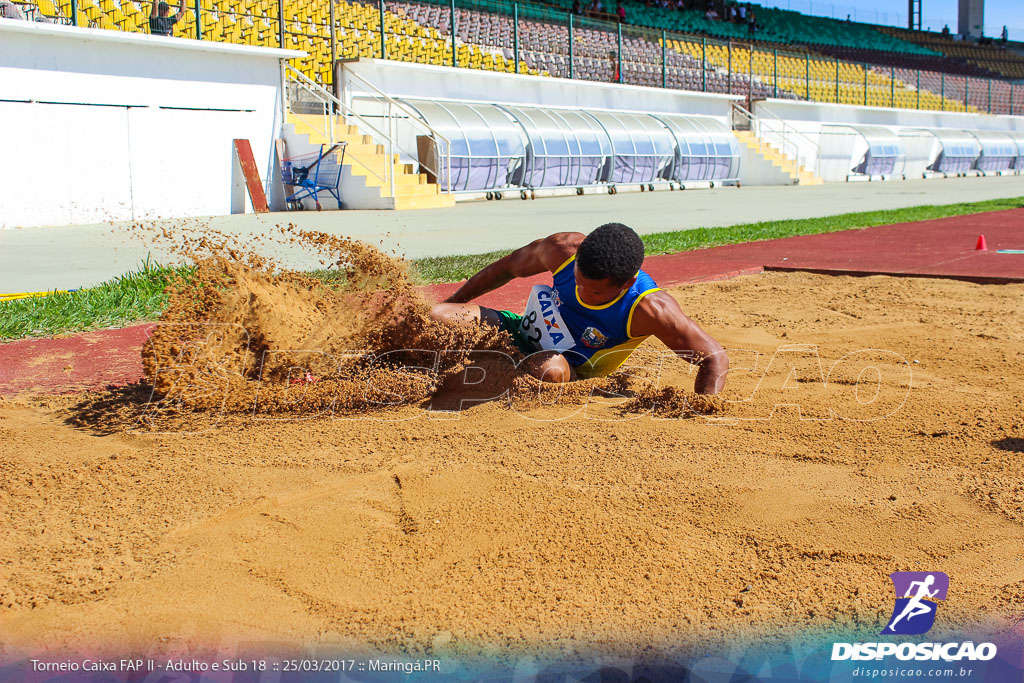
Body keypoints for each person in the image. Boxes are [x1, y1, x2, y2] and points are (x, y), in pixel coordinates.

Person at [429, 224, 729, 394]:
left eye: (595, 291)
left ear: (628, 283)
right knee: (435, 317)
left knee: (547, 369)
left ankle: (488, 374)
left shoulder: (649, 309)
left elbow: (714, 358)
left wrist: (703, 409)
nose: (582, 293)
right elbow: (506, 268)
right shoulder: (562, 249)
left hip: (566, 368)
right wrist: (456, 301)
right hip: (521, 331)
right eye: (577, 282)